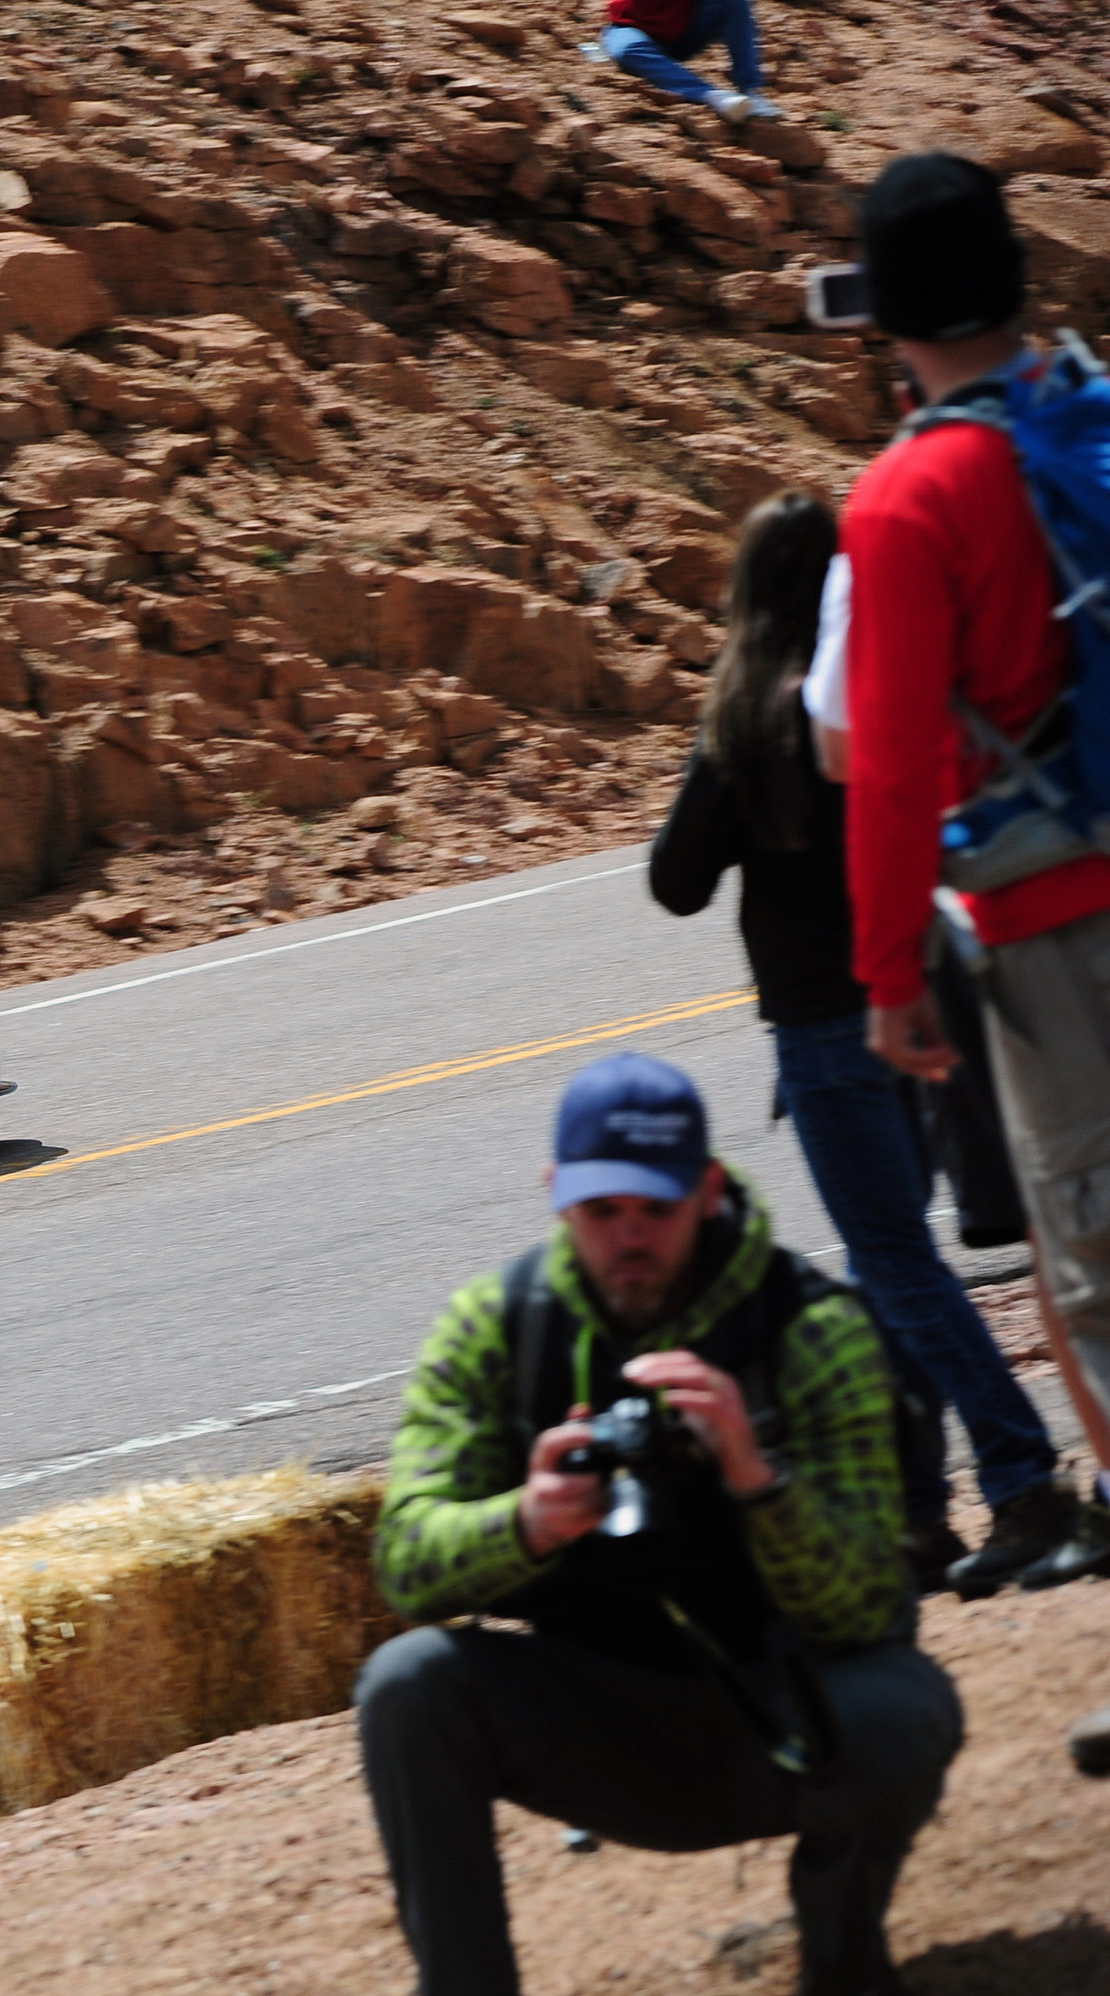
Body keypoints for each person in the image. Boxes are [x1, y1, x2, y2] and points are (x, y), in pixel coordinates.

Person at [359, 1054, 965, 1996]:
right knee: (409, 1683)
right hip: (603, 1721)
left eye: (657, 1209)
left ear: (708, 1190)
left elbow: (874, 1610)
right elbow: (404, 1565)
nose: (631, 1237)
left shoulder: (808, 1328)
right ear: (557, 1197)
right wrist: (525, 1521)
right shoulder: (498, 1327)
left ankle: (844, 1966)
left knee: (901, 1710)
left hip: (785, 1716)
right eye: (604, 1213)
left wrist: (757, 1479)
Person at [651, 490, 1073, 1597]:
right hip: (915, 1000)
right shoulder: (866, 704)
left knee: (893, 1261)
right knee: (887, 1266)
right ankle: (917, 1512)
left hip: (825, 1029)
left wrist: (719, 769)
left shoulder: (750, 726)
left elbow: (675, 881)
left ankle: (1023, 1475)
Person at [832, 151, 1110, 1772]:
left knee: (1096, 1255)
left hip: (1051, 922)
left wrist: (888, 975)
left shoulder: (907, 498)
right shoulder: (1096, 412)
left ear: (880, 310)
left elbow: (885, 771)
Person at [589, 0, 778, 125]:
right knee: (627, 50)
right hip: (632, 28)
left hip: (683, 31)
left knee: (734, 3)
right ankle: (712, 95)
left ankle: (751, 90)